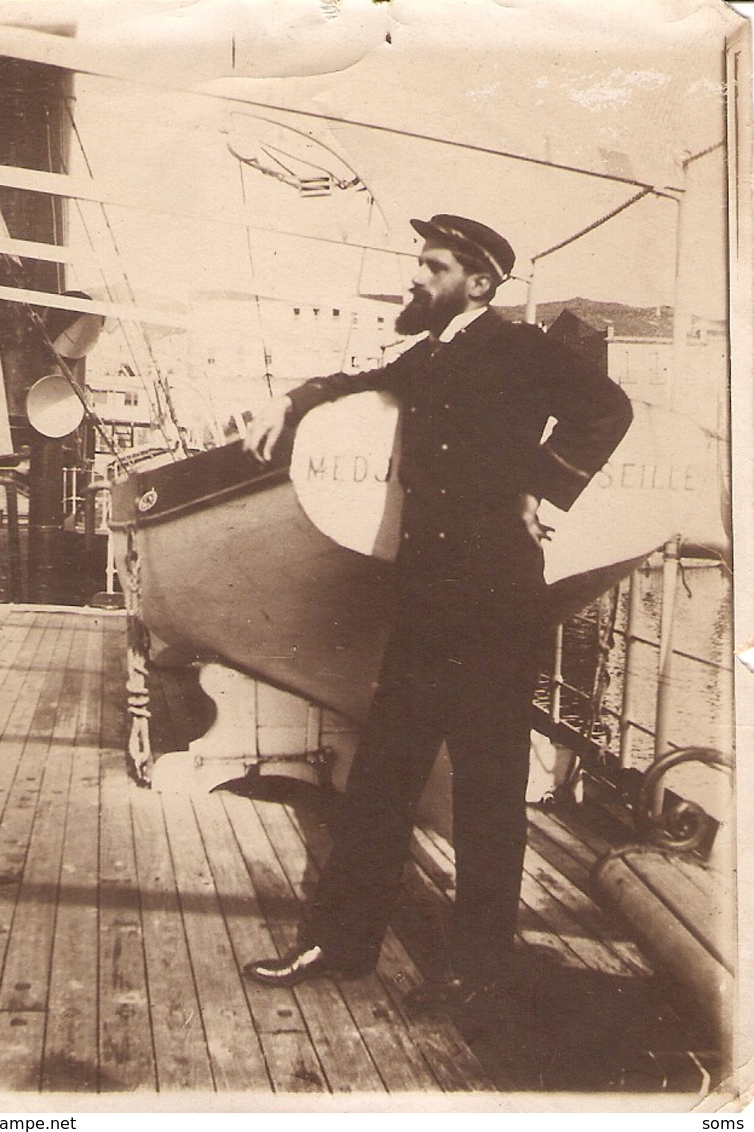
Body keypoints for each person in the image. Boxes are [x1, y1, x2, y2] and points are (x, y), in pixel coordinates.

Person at [240, 214, 633, 1025]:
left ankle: (479, 963)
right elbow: (353, 383)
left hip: (496, 601)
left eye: (430, 265)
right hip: (427, 601)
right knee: (383, 774)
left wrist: (541, 486)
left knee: (489, 787)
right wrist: (296, 396)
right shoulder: (428, 355)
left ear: (477, 282)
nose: (414, 276)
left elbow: (607, 407)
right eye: (418, 262)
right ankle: (339, 944)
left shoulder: (521, 351)